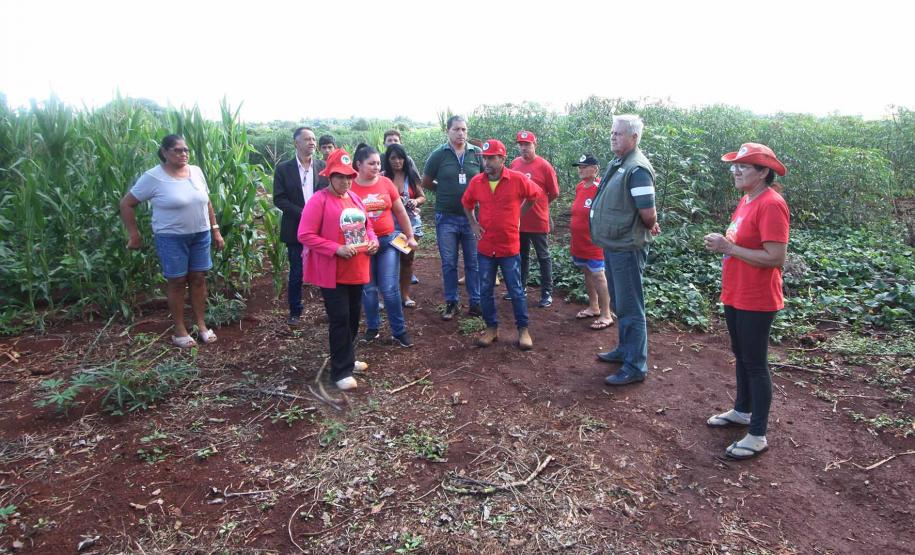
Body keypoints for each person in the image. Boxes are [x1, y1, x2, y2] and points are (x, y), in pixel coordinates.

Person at [703, 143, 790, 461]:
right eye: (734, 166)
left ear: (763, 172)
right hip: (736, 292)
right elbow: (740, 243)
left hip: (757, 297)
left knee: (755, 363)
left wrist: (729, 247)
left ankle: (757, 434)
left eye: (744, 166)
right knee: (741, 355)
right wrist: (725, 245)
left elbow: (776, 257)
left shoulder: (771, 204)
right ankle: (742, 411)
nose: (736, 171)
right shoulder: (746, 200)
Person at [120, 134, 225, 348]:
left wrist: (215, 230)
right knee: (177, 281)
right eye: (178, 150)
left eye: (186, 150)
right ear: (165, 152)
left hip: (200, 234)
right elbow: (127, 204)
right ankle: (179, 331)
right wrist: (134, 234)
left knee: (198, 278)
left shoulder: (195, 171)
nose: (183, 153)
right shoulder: (153, 177)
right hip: (171, 237)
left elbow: (207, 202)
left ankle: (201, 325)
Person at [297, 148, 380, 390]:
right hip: (332, 271)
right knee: (340, 318)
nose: (345, 181)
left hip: (357, 267)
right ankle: (339, 371)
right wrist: (335, 248)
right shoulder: (319, 200)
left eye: (348, 177)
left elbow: (368, 227)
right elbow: (305, 234)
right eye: (340, 177)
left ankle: (348, 358)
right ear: (329, 177)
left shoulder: (353, 198)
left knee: (353, 315)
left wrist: (373, 241)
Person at [590, 115, 660, 386]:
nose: (613, 136)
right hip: (614, 244)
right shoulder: (619, 163)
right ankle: (624, 349)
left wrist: (648, 224)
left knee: (630, 306)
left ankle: (635, 365)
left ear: (634, 137)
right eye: (612, 132)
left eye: (618, 133)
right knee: (620, 303)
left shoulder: (637, 168)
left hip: (627, 247)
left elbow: (648, 214)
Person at [462, 140, 541, 350]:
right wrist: (473, 223)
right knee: (486, 289)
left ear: (502, 159)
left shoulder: (517, 179)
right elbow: (466, 203)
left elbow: (534, 196)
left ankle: (523, 330)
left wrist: (519, 215)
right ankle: (491, 328)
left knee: (516, 290)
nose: (486, 162)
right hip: (486, 246)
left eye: (491, 158)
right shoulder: (477, 182)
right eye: (484, 158)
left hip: (509, 246)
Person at [351, 144, 418, 347]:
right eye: (371, 163)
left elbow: (400, 211)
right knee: (369, 289)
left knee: (389, 289)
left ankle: (399, 331)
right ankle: (373, 328)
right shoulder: (351, 186)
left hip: (388, 241)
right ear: (358, 165)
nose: (376, 166)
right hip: (363, 245)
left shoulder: (386, 183)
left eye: (378, 163)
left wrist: (410, 235)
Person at [422, 115, 483, 321]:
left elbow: (484, 179)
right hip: (446, 217)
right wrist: (445, 191)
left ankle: (475, 302)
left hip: (471, 219)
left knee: (473, 262)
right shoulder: (439, 155)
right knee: (449, 262)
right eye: (456, 129)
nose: (461, 134)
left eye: (464, 130)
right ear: (447, 131)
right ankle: (452, 302)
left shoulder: (476, 154)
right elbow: (427, 181)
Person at [273, 127, 328, 326]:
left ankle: (330, 309)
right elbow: (279, 199)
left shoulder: (323, 167)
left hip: (321, 228)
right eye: (306, 139)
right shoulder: (283, 169)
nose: (312, 142)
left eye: (313, 139)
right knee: (296, 271)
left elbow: (328, 194)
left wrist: (318, 215)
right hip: (295, 227)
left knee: (325, 269)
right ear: (296, 143)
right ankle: (295, 312)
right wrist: (305, 214)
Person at [508, 131, 560, 307]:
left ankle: (546, 293)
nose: (524, 148)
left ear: (534, 145)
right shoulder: (514, 163)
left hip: (538, 219)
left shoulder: (544, 166)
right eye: (521, 145)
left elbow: (554, 193)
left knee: (543, 256)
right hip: (519, 220)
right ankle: (520, 287)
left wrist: (542, 205)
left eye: (527, 144)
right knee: (520, 255)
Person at [570, 155, 613, 330]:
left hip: (595, 242)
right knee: (587, 273)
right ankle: (594, 307)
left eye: (584, 166)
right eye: (579, 166)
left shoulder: (601, 187)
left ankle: (606, 314)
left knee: (599, 275)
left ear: (595, 169)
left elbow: (610, 211)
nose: (580, 169)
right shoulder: (580, 187)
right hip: (579, 242)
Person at [382, 143, 426, 308]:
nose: (397, 161)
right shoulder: (382, 177)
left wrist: (415, 201)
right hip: (389, 226)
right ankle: (386, 295)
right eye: (393, 158)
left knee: (407, 260)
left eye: (400, 157)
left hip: (411, 225)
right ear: (388, 159)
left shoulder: (411, 175)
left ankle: (404, 294)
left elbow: (422, 197)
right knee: (389, 261)